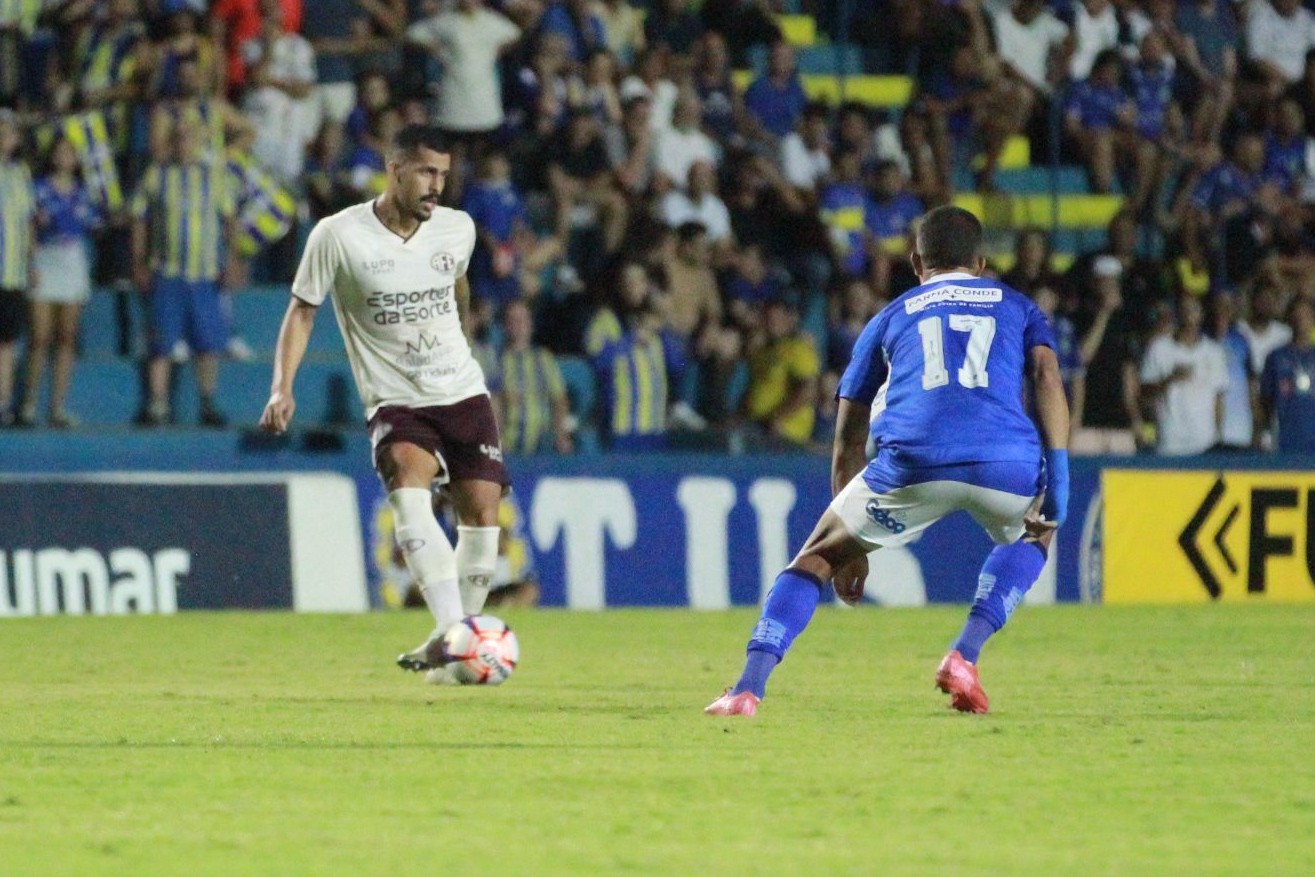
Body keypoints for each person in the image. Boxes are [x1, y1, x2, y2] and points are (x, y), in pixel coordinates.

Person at [705, 206, 1070, 717]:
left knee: (814, 558)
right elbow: (1047, 378)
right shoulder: (1018, 307)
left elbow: (848, 435)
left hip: (911, 462)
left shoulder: (890, 316)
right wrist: (1061, 478)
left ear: (916, 262)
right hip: (1005, 460)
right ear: (982, 262)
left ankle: (747, 688)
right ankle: (965, 655)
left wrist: (851, 549)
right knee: (1038, 531)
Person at [258, 124, 508, 684]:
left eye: (443, 174)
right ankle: (458, 636)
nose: (436, 185)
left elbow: (459, 286)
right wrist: (282, 386)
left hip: (462, 390)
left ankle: (452, 647)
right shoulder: (338, 235)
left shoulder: (457, 229)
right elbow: (302, 311)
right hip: (396, 397)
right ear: (394, 171)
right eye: (425, 172)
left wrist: (463, 338)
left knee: (482, 521)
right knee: (407, 486)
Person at [131, 124, 240, 427]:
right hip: (167, 272)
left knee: (207, 343)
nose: (183, 144)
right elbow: (139, 216)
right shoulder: (158, 175)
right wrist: (139, 261)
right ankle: (157, 405)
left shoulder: (214, 177)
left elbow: (229, 219)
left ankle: (207, 403)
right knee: (161, 344)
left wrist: (232, 259)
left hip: (205, 274)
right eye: (178, 138)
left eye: (188, 138)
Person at [21, 136, 101, 428]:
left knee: (66, 337)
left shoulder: (82, 192)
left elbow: (92, 223)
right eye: (60, 151)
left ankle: (57, 407)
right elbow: (28, 223)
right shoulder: (38, 189)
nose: (64, 157)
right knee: (40, 337)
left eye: (70, 153)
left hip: (71, 260)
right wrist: (30, 259)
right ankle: (28, 404)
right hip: (45, 259)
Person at [1258, 297, 1315, 453]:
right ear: (1290, 319)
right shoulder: (1276, 357)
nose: (1301, 321)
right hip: (1285, 440)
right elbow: (1265, 399)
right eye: (1297, 316)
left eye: (1306, 315)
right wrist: (1265, 432)